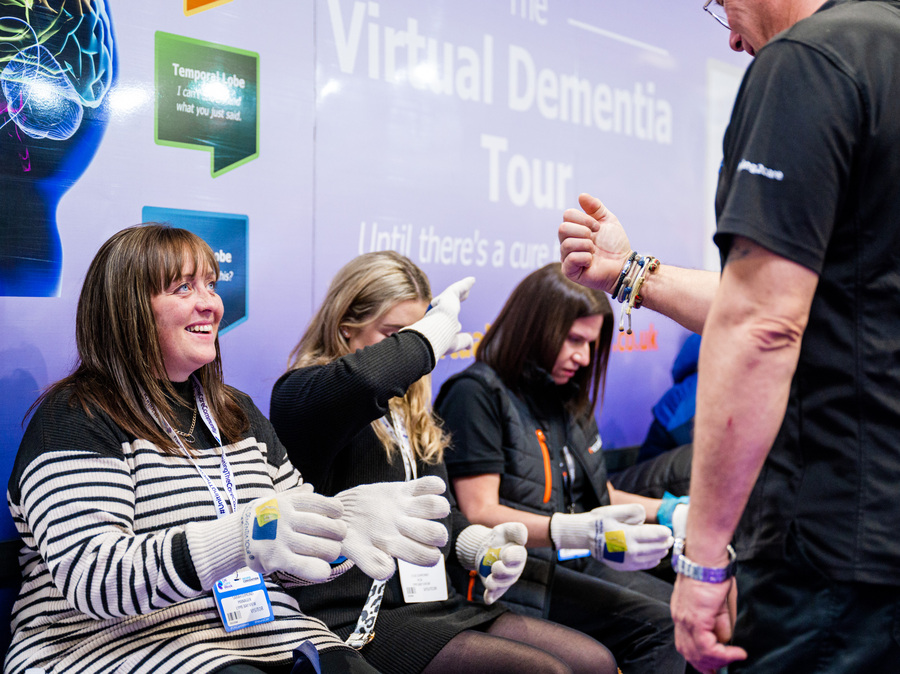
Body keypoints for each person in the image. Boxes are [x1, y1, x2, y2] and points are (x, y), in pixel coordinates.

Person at [558, 1, 900, 671]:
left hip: (838, 552)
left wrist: (706, 557)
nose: (736, 40)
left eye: (721, 9)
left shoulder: (809, 61)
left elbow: (763, 323)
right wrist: (631, 276)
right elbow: (827, 301)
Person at [5, 224, 451, 674]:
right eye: (183, 287)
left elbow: (287, 565)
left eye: (211, 285)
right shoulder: (76, 415)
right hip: (111, 646)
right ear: (128, 309)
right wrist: (240, 540)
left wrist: (339, 532)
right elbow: (97, 578)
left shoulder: (235, 411)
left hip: (263, 635)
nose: (210, 303)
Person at [270, 251, 618, 674]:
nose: (413, 349)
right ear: (346, 328)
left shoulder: (413, 413)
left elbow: (441, 515)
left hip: (434, 603)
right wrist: (428, 336)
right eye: (394, 333)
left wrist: (480, 549)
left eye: (417, 334)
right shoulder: (303, 396)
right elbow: (365, 381)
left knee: (595, 662)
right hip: (350, 615)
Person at [435, 262, 690, 674]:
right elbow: (480, 512)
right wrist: (575, 532)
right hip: (520, 570)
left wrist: (667, 512)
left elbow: (597, 494)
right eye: (574, 340)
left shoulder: (567, 394)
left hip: (576, 555)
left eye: (591, 344)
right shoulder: (475, 394)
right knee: (663, 626)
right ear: (534, 327)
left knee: (686, 601)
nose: (584, 356)